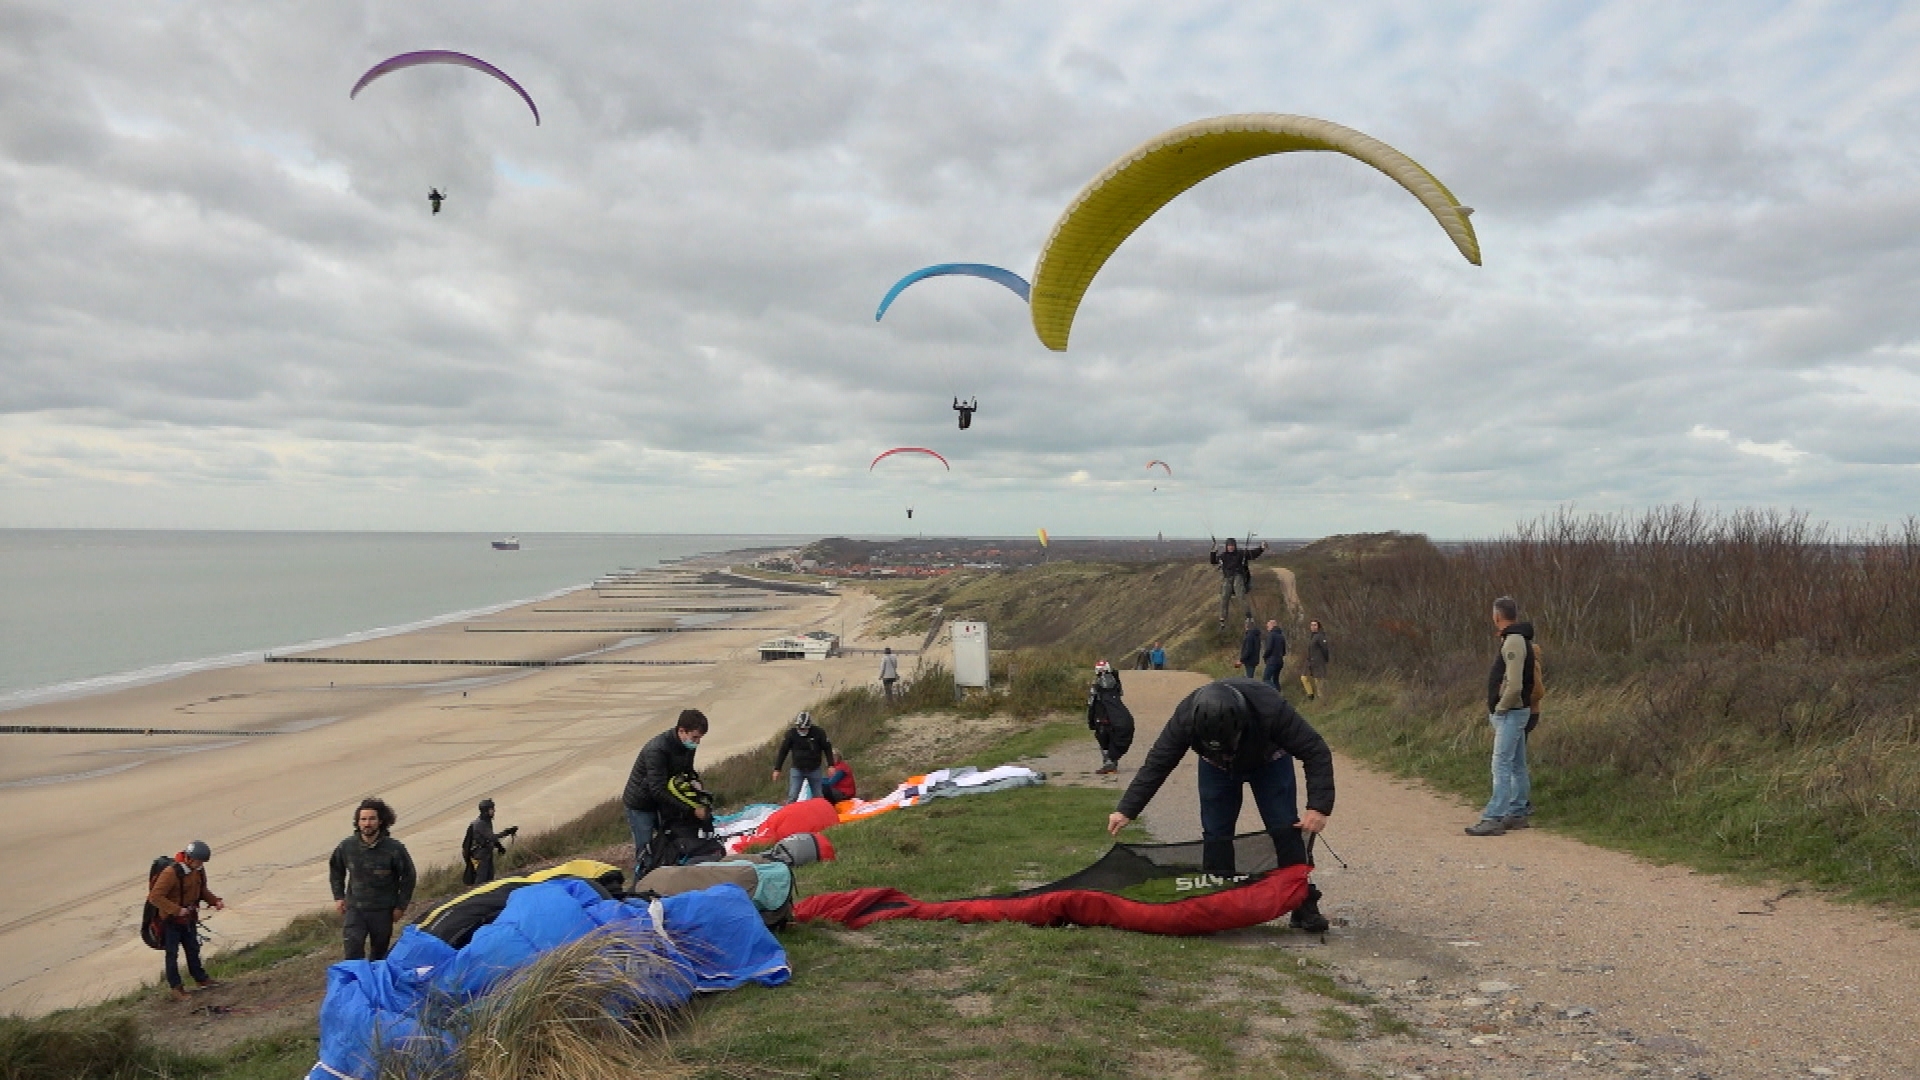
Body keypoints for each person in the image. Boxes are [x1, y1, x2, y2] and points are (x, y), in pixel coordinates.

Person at [1107, 678, 1333, 933]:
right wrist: (1127, 809)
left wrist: (1318, 807)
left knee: (1284, 828)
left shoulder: (1270, 708)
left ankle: (1302, 904)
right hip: (1216, 768)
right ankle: (1216, 905)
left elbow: (1316, 750)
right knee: (1216, 833)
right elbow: (1158, 763)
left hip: (1269, 761)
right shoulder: (1185, 718)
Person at [1466, 597, 1538, 836]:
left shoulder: (1514, 641)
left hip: (1512, 713)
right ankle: (1517, 812)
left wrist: (1500, 708)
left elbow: (1515, 684)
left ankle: (1494, 817)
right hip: (1517, 712)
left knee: (1501, 764)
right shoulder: (1516, 639)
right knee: (1516, 764)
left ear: (1497, 616)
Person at [623, 709, 709, 880]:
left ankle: (665, 882)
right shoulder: (657, 750)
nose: (697, 743)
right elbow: (657, 789)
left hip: (663, 802)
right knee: (645, 850)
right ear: (681, 731)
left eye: (700, 738)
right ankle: (638, 888)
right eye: (695, 738)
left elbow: (687, 770)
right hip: (641, 804)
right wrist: (690, 810)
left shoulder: (687, 746)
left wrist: (695, 783)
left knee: (669, 841)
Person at [329, 798, 416, 961]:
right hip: (355, 910)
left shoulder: (394, 848)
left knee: (379, 955)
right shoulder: (347, 846)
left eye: (371, 819)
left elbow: (409, 876)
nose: (367, 823)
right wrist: (338, 897)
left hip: (383, 911)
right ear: (357, 822)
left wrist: (400, 906)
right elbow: (336, 869)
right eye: (363, 819)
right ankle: (356, 985)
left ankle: (375, 984)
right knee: (353, 951)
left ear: (380, 821)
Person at [148, 840, 224, 1000]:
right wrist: (177, 910)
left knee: (193, 949)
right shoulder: (170, 873)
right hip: (170, 922)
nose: (201, 864)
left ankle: (201, 979)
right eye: (199, 861)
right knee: (172, 954)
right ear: (189, 858)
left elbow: (201, 889)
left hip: (188, 918)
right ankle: (176, 988)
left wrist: (214, 901)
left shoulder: (198, 870)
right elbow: (154, 897)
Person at [772, 711, 834, 803]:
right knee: (793, 795)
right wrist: (777, 769)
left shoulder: (819, 733)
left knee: (818, 796)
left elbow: (827, 748)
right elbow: (783, 751)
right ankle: (790, 815)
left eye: (804, 728)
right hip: (797, 769)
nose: (802, 730)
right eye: (800, 728)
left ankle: (820, 814)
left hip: (814, 769)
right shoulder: (791, 734)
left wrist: (831, 765)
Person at [1086, 659, 1136, 775]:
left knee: (1106, 737)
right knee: (1105, 737)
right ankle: (1110, 762)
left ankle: (1110, 763)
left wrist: (1091, 720)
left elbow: (1091, 703)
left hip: (1106, 717)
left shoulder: (1109, 684)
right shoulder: (1111, 684)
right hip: (1104, 716)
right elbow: (1092, 703)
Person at [1210, 537, 1267, 626]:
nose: (1231, 547)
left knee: (1240, 595)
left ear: (1235, 546)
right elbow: (1213, 561)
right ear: (1226, 546)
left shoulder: (1240, 554)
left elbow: (1253, 554)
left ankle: (1248, 616)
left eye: (1232, 546)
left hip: (1238, 576)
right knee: (1224, 597)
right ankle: (1222, 618)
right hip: (1228, 577)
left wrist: (1261, 548)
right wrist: (1213, 552)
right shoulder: (1223, 556)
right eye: (1229, 546)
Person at [461, 798, 518, 886]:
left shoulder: (486, 821)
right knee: (482, 880)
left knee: (490, 877)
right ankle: (479, 897)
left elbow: (490, 838)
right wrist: (507, 832)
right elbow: (492, 837)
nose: (494, 810)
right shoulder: (480, 824)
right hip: (480, 856)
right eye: (492, 809)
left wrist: (499, 846)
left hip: (486, 853)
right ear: (485, 811)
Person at [1302, 620, 1331, 700]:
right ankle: (1310, 695)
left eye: (1315, 625)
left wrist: (1325, 659)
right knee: (1304, 677)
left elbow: (1325, 649)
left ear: (1318, 626)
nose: (1313, 627)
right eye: (1311, 625)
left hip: (1318, 662)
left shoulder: (1320, 636)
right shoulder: (1312, 636)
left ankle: (1321, 699)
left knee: (1318, 681)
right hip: (1310, 661)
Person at [1262, 618, 1288, 689]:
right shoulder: (1281, 636)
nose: (1267, 628)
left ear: (1272, 626)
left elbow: (1269, 648)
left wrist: (1265, 656)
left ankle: (1274, 693)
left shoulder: (1271, 635)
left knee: (1266, 679)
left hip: (1272, 660)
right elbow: (1284, 651)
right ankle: (1279, 694)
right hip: (1280, 661)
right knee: (1275, 679)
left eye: (1268, 626)